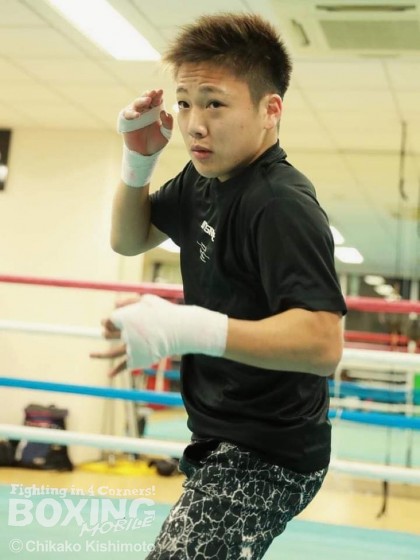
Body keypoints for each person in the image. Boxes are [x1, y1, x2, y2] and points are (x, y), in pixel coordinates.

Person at [93, 12, 347, 560]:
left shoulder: (279, 203)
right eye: (184, 103)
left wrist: (186, 326)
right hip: (220, 434)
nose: (194, 125)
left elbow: (323, 343)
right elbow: (129, 239)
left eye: (214, 104)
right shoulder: (203, 180)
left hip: (269, 453)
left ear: (270, 110)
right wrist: (138, 162)